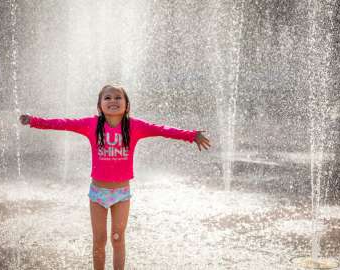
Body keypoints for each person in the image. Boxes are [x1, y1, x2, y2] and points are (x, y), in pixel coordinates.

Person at [19, 84, 211, 270]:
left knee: (118, 238)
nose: (113, 101)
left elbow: (162, 130)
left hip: (121, 193)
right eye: (107, 97)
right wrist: (34, 121)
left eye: (118, 97)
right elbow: (62, 124)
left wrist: (191, 135)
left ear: (127, 105)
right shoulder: (91, 124)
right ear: (99, 105)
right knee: (99, 240)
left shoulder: (135, 126)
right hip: (97, 194)